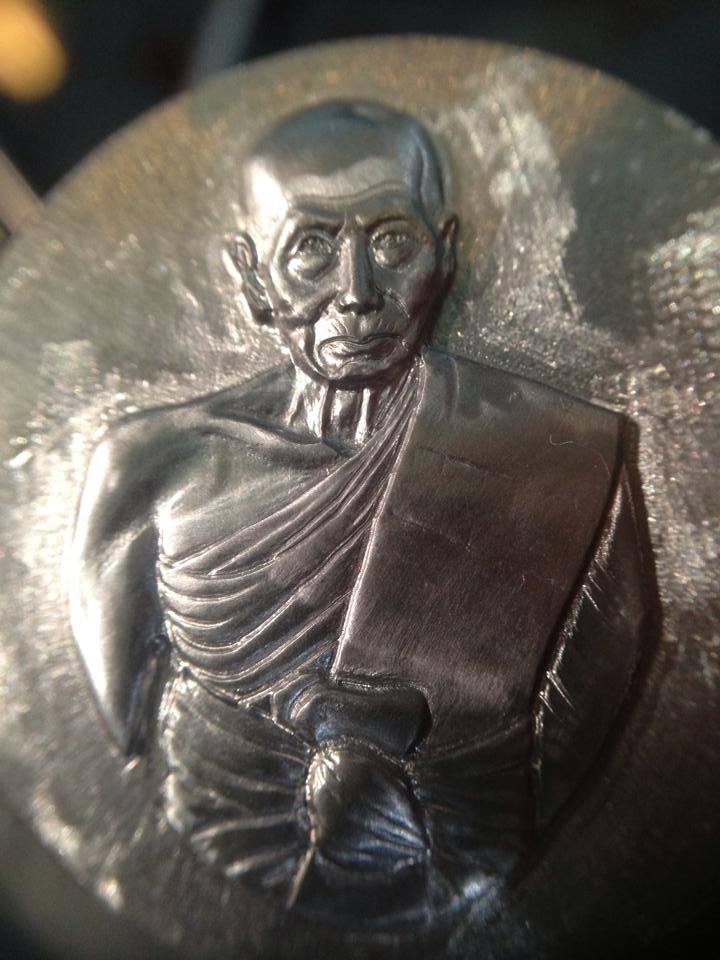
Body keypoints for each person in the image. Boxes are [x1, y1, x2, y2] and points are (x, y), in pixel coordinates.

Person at [70, 102, 653, 917]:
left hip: (475, 867)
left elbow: (591, 709)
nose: (357, 293)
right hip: (208, 861)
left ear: (446, 254)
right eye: (310, 247)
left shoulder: (560, 457)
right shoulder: (147, 469)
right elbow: (115, 728)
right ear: (251, 275)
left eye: (392, 243)